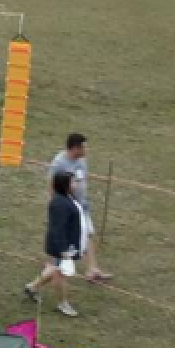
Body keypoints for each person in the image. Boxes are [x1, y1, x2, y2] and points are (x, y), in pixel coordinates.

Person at [49, 133, 112, 282]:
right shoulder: (59, 163)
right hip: (67, 208)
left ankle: (92, 270)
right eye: (83, 147)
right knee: (67, 237)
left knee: (88, 234)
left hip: (81, 205)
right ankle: (51, 266)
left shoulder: (81, 161)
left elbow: (82, 180)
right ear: (75, 148)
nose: (86, 150)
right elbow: (51, 185)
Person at [26, 169, 84, 317]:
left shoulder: (66, 198)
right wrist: (63, 250)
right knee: (60, 273)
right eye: (73, 181)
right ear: (65, 185)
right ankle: (62, 303)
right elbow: (58, 229)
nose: (76, 184)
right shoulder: (60, 204)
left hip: (66, 245)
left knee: (54, 270)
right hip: (61, 247)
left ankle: (32, 287)